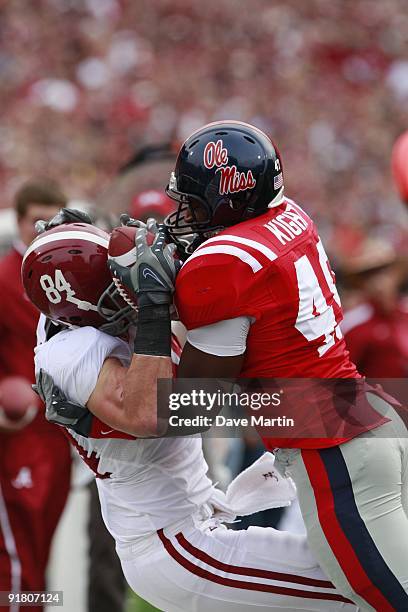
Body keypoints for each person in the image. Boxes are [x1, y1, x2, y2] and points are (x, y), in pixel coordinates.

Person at [109, 121, 408, 610]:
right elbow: (264, 310)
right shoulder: (290, 216)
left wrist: (154, 308)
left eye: (195, 200)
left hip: (335, 455)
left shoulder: (221, 265)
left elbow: (191, 408)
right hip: (369, 419)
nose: (183, 213)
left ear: (229, 197)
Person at [22, 221, 355, 612]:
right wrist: (153, 307)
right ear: (76, 305)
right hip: (172, 544)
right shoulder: (71, 350)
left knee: (355, 573)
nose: (125, 291)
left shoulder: (82, 329)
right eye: (112, 286)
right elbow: (148, 413)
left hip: (193, 527)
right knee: (357, 583)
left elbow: (201, 398)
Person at [0, 179, 72, 612]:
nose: (43, 230)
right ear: (18, 220)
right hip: (16, 435)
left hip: (59, 436)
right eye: (36, 221)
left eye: (53, 221)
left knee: (42, 551)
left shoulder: (68, 279)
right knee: (15, 553)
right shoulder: (3, 278)